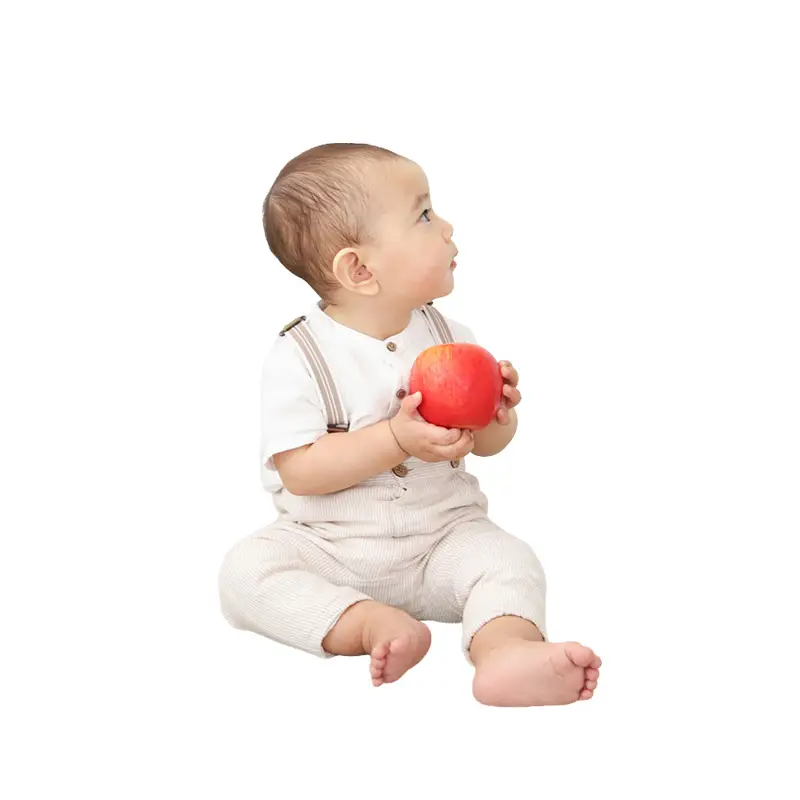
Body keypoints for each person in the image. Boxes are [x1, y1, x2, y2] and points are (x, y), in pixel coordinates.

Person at [218, 143, 601, 706]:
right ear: (359, 269)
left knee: (508, 561)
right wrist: (395, 438)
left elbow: (488, 446)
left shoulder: (452, 338)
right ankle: (366, 623)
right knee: (244, 573)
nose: (446, 227)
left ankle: (504, 650)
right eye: (423, 215)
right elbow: (300, 472)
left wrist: (497, 414)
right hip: (330, 547)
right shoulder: (299, 356)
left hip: (442, 541)